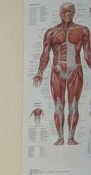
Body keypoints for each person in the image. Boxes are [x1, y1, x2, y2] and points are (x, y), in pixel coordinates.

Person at [32, 2, 91, 145]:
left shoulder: (83, 30)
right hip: (57, 71)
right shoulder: (51, 32)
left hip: (75, 70)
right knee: (58, 106)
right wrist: (40, 72)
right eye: (64, 11)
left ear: (74, 12)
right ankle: (60, 137)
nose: (67, 14)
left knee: (73, 105)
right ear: (60, 13)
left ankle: (70, 137)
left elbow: (87, 54)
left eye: (70, 11)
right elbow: (45, 54)